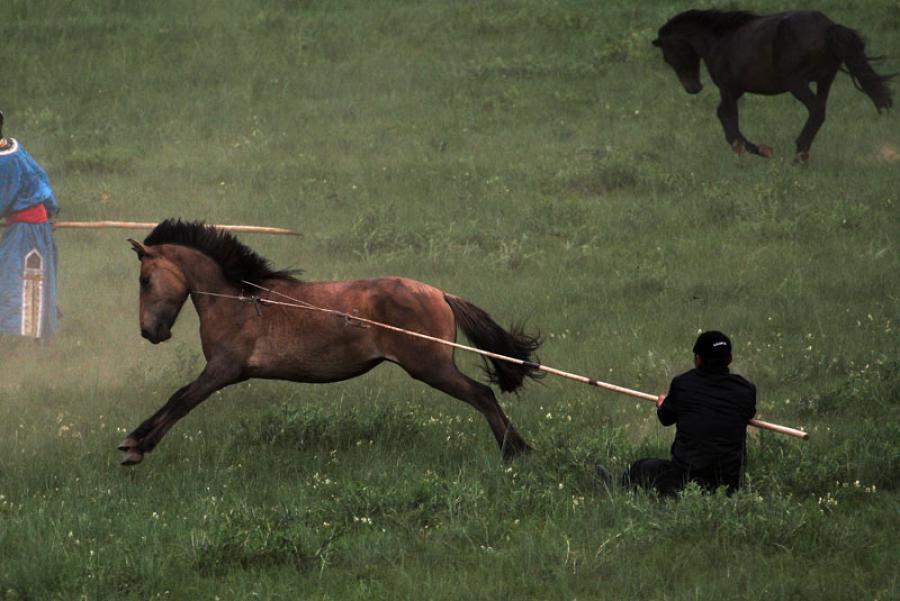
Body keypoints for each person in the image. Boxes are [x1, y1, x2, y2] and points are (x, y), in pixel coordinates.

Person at [621, 331, 757, 496]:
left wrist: (662, 404)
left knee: (639, 467)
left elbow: (665, 418)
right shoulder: (745, 390)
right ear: (729, 359)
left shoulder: (683, 384)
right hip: (729, 483)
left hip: (686, 478)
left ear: (698, 359)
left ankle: (617, 489)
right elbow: (748, 412)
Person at [0, 111, 61, 339]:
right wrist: (51, 209)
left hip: (26, 231)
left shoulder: (3, 162)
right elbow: (40, 176)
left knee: (20, 280)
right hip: (34, 226)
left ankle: (23, 340)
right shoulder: (14, 147)